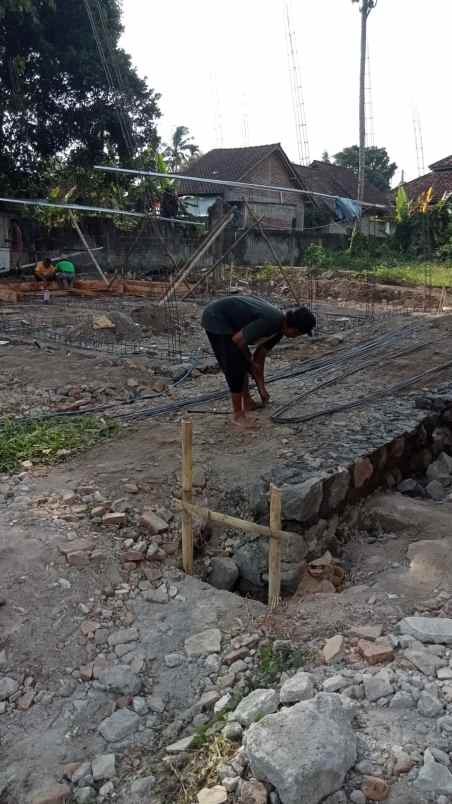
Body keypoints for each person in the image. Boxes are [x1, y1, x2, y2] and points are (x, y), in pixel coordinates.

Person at [201, 295, 316, 427]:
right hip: (216, 317)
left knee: (242, 362)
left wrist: (261, 387)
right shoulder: (272, 320)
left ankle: (248, 402)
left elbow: (260, 357)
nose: (295, 337)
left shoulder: (279, 330)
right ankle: (238, 415)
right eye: (298, 334)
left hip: (229, 321)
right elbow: (238, 340)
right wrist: (249, 362)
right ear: (294, 328)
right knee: (235, 365)